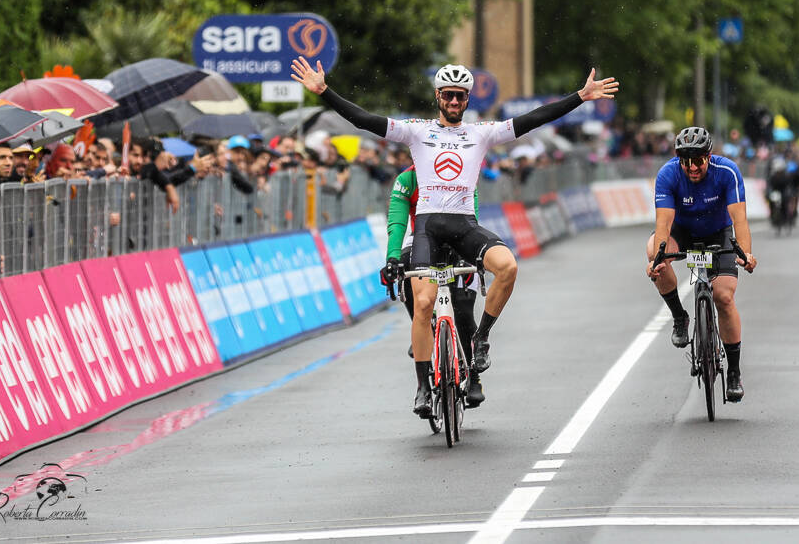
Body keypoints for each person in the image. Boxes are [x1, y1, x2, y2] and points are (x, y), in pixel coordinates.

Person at [291, 56, 618, 417]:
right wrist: (326, 92)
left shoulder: (482, 133)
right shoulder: (416, 131)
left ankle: (480, 339)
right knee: (424, 304)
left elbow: (534, 119)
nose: (454, 102)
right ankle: (421, 385)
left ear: (467, 100)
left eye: (460, 97)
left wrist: (580, 97)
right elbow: (365, 120)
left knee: (507, 268)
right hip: (428, 229)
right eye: (448, 95)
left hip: (464, 225)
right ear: (438, 96)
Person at [646, 126, 757, 402]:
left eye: (698, 161)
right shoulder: (668, 175)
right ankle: (680, 317)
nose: (692, 167)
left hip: (718, 233)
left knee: (723, 297)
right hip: (683, 233)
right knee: (652, 251)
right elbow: (663, 224)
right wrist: (658, 259)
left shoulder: (727, 172)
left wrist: (746, 254)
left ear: (709, 157)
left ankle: (733, 372)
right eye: (686, 161)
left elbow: (739, 219)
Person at [381, 165, 485, 408]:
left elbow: (473, 218)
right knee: (405, 272)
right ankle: (423, 387)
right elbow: (397, 224)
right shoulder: (408, 179)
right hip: (422, 237)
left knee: (463, 306)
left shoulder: (463, 173)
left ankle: (474, 378)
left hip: (459, 235)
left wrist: (468, 257)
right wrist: (392, 258)